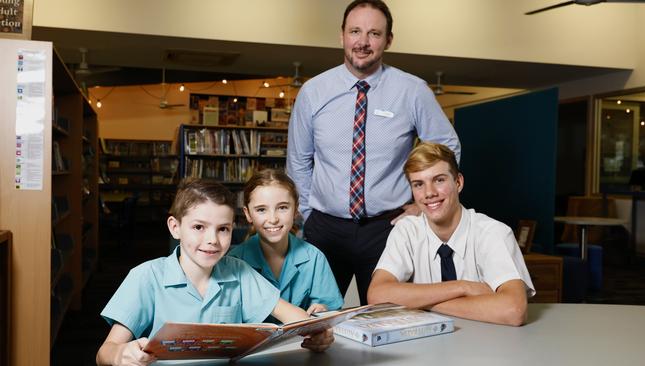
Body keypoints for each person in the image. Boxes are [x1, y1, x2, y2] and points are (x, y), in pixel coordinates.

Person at [287, 0, 460, 305]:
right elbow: (298, 160)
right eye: (355, 31)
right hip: (325, 228)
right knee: (312, 320)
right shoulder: (313, 92)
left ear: (388, 40)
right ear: (342, 35)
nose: (363, 42)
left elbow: (447, 148)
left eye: (374, 33)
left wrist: (422, 205)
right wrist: (310, 215)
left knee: (388, 318)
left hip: (388, 228)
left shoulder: (413, 90)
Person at [96, 178, 333, 366]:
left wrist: (318, 331)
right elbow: (104, 352)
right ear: (175, 227)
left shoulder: (239, 271)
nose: (212, 240)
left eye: (223, 229)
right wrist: (120, 355)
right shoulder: (146, 276)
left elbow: (291, 316)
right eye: (199, 227)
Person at [366, 142, 535, 326]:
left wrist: (420, 302)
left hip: (486, 347)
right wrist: (463, 287)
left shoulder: (493, 232)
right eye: (418, 184)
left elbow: (513, 311)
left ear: (458, 182)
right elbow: (377, 295)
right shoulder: (406, 230)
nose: (429, 193)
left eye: (439, 180)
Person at [229, 169, 343, 316]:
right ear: (248, 214)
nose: (273, 219)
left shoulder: (315, 258)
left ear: (296, 209)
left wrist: (323, 311)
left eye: (282, 208)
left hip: (300, 338)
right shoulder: (234, 261)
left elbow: (331, 310)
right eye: (261, 210)